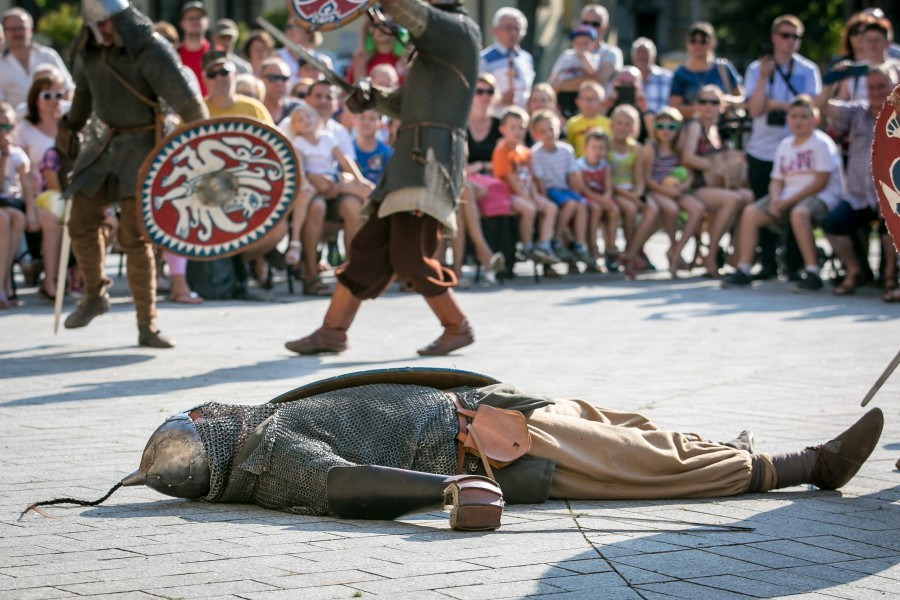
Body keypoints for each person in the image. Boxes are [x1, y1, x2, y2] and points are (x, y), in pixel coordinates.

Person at [73, 368, 884, 530]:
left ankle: (740, 451)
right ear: (214, 433)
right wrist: (440, 496)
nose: (215, 405)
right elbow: (350, 484)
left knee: (634, 429)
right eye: (205, 412)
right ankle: (807, 465)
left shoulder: (268, 421)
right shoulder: (273, 453)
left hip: (487, 407)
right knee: (652, 465)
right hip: (488, 447)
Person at [284, 0, 481, 357]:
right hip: (411, 158)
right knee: (368, 250)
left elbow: (403, 8)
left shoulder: (457, 30)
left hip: (429, 159)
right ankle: (332, 330)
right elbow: (408, 104)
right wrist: (372, 97)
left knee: (410, 253)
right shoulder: (433, 48)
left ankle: (457, 326)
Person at [60, 0, 209, 347]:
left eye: (112, 23)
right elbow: (82, 100)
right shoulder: (91, 54)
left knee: (134, 236)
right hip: (102, 147)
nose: (107, 31)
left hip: (145, 149)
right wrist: (68, 128)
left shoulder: (151, 50)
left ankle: (147, 324)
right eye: (102, 25)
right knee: (80, 217)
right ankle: (95, 295)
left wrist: (204, 146)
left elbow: (188, 103)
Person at [722, 96, 845, 291]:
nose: (798, 121)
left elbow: (820, 183)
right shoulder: (784, 145)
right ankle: (743, 269)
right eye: (794, 116)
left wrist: (786, 202)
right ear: (788, 120)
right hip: (788, 196)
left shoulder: (821, 143)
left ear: (815, 120)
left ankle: (812, 272)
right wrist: (776, 198)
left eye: (804, 116)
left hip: (822, 196)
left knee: (799, 213)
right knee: (751, 212)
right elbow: (777, 180)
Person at [744, 14, 821, 281]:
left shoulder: (808, 70)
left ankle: (795, 264)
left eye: (795, 37)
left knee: (796, 208)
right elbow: (754, 110)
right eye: (785, 35)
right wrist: (765, 80)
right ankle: (767, 263)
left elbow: (811, 109)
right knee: (765, 206)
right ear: (774, 37)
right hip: (762, 149)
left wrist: (777, 105)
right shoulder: (756, 69)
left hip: (797, 151)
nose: (790, 42)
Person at [816, 66, 898, 297]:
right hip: (859, 196)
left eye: (882, 86)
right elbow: (821, 106)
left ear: (892, 86)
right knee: (832, 223)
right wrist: (836, 77)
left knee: (890, 226)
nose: (876, 91)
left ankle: (890, 279)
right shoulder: (857, 112)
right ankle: (855, 272)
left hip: (891, 196)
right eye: (871, 87)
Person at [680, 85, 752, 277]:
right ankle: (711, 257)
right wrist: (715, 166)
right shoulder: (696, 125)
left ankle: (737, 256)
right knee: (732, 200)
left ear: (721, 106)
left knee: (749, 198)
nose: (708, 106)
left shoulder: (716, 130)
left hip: (715, 186)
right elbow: (687, 158)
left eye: (713, 102)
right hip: (694, 186)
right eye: (703, 101)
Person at [15, 75, 67, 301]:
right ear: (36, 98)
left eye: (58, 95)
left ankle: (85, 282)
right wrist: (30, 207)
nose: (53, 100)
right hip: (38, 193)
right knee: (51, 216)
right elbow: (22, 172)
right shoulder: (25, 129)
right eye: (47, 95)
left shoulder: (69, 126)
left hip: (68, 190)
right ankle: (50, 281)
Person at [528, 109, 596, 271]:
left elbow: (573, 176)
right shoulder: (536, 153)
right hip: (550, 191)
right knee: (571, 204)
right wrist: (545, 199)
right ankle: (556, 238)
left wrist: (577, 194)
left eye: (551, 129)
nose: (549, 134)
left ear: (558, 127)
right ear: (536, 134)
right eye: (543, 131)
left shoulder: (566, 150)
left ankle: (580, 244)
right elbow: (539, 181)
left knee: (581, 205)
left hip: (564, 190)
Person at [492, 107, 559, 267]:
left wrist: (534, 195)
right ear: (503, 129)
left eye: (521, 127)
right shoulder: (502, 151)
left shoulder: (526, 152)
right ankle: (526, 246)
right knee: (529, 209)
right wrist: (525, 196)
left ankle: (543, 245)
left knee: (550, 208)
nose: (517, 131)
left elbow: (531, 178)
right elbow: (509, 179)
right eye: (513, 127)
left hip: (526, 193)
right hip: (508, 195)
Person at [0, 8, 74, 108]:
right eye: (12, 29)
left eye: (21, 28)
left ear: (31, 30)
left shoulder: (48, 56)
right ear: (4, 32)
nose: (17, 33)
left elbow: (68, 89)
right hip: (16, 122)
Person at [668, 21, 743, 120]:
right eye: (693, 40)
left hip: (725, 128)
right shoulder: (680, 73)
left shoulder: (723, 68)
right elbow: (675, 108)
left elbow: (742, 99)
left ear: (713, 43)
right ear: (687, 44)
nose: (698, 45)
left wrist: (723, 101)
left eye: (703, 41)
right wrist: (703, 108)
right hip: (692, 129)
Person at [0, 102, 31, 308]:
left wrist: (33, 213)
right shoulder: (7, 154)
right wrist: (4, 156)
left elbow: (25, 184)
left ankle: (5, 279)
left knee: (17, 218)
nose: (4, 132)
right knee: (3, 219)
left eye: (8, 127)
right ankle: (6, 281)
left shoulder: (17, 153)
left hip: (11, 202)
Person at [576, 128, 620, 267]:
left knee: (614, 210)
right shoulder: (580, 165)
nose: (597, 151)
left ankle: (610, 247)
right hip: (587, 198)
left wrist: (606, 199)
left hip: (600, 197)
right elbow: (584, 189)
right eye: (594, 147)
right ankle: (592, 246)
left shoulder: (605, 166)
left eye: (601, 148)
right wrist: (601, 201)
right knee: (595, 209)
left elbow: (608, 188)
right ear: (585, 148)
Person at [479, 7, 534, 109]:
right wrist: (500, 100)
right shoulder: (484, 59)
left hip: (522, 118)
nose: (513, 33)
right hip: (496, 117)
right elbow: (477, 93)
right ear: (495, 30)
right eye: (508, 28)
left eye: (517, 29)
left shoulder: (526, 58)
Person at [549, 25, 599, 119]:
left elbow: (593, 74)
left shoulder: (594, 58)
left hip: (579, 96)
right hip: (562, 96)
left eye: (585, 43)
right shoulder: (566, 56)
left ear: (593, 44)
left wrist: (584, 57)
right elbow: (555, 76)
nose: (582, 46)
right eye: (578, 43)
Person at [277, 17, 334, 88]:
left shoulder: (322, 61)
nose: (291, 30)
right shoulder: (277, 57)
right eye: (289, 27)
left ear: (309, 32)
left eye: (297, 26)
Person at [565, 81, 611, 158]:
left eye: (593, 99)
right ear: (577, 101)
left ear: (601, 102)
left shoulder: (608, 123)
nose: (589, 102)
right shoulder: (572, 123)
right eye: (586, 98)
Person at [631, 37, 672, 118]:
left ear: (653, 56)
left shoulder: (668, 77)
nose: (642, 56)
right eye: (639, 52)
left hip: (661, 126)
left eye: (645, 52)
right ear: (632, 56)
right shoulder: (626, 78)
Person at [177, 1, 210, 96]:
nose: (195, 21)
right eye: (191, 18)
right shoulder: (174, 54)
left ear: (207, 22)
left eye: (199, 17)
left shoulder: (217, 51)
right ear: (182, 23)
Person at [258, 57, 303, 123]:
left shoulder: (297, 108)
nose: (279, 83)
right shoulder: (251, 108)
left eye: (284, 78)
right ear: (260, 78)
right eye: (273, 78)